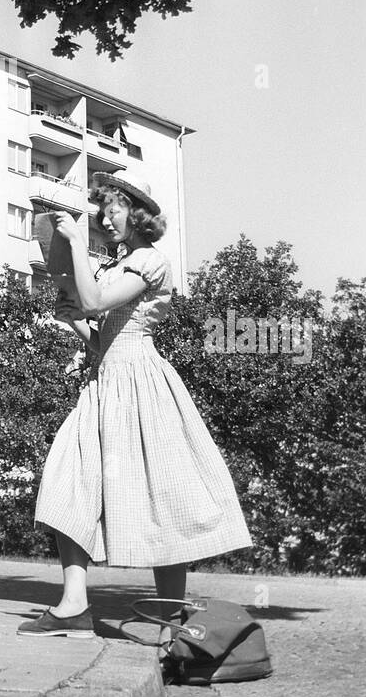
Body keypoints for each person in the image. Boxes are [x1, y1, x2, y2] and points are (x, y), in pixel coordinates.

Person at [18, 172, 252, 640]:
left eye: (113, 209)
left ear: (138, 215)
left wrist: (77, 251)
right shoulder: (115, 264)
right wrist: (75, 324)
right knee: (68, 480)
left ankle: (169, 618)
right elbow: (101, 331)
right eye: (101, 211)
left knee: (160, 492)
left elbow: (97, 300)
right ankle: (74, 605)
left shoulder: (149, 260)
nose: (105, 218)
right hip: (105, 380)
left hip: (141, 383)